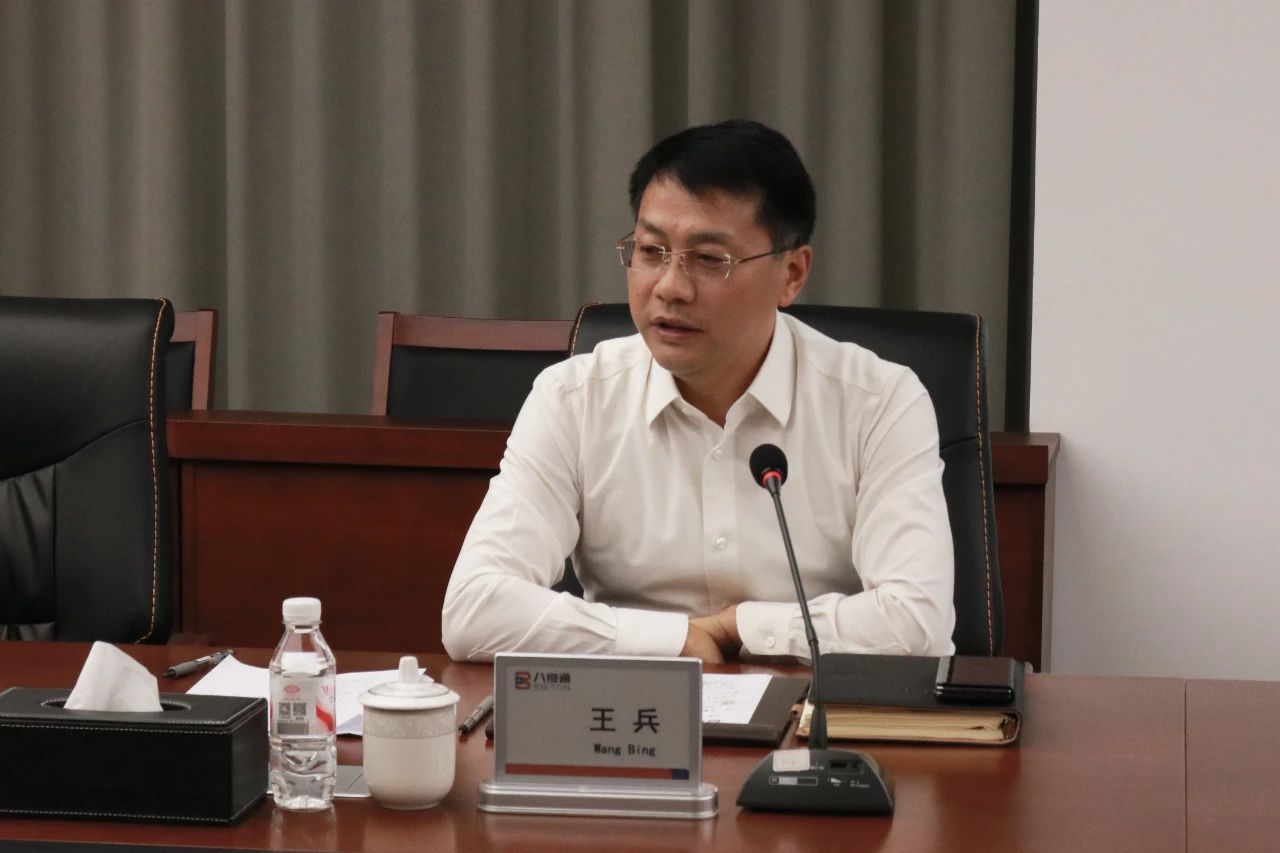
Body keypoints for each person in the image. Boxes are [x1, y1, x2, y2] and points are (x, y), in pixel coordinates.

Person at [442, 119, 954, 663]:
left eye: (710, 259)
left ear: (792, 274)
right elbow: (474, 610)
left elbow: (917, 623)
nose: (670, 287)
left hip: (817, 708)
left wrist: (739, 627)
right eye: (651, 251)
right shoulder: (574, 399)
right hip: (632, 711)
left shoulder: (879, 403)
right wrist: (678, 640)